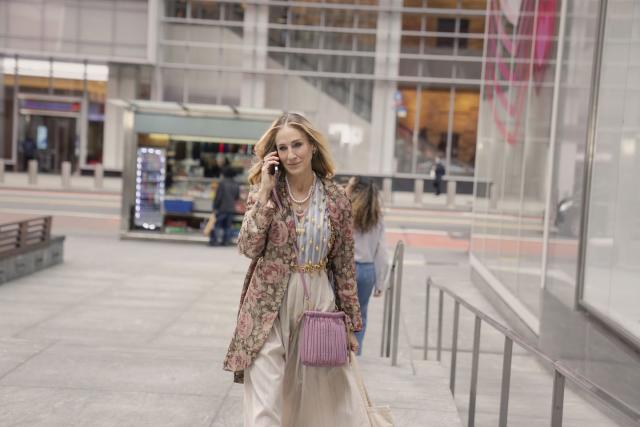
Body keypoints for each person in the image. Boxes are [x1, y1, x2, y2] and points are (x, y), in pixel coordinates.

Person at [223, 112, 370, 427]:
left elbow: (344, 265)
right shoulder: (268, 193)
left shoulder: (335, 199)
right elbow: (248, 247)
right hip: (266, 305)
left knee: (314, 402)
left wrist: (350, 324)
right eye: (283, 148)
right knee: (264, 401)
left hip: (317, 302)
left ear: (313, 146)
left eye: (297, 145)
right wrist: (264, 192)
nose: (291, 155)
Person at [345, 176, 390, 356]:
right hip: (366, 271)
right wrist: (380, 283)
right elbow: (382, 253)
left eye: (349, 184)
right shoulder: (376, 218)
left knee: (338, 314)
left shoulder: (345, 212)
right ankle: (355, 356)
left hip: (344, 269)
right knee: (360, 316)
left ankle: (336, 352)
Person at [210, 166, 240, 246]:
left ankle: (215, 241)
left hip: (222, 208)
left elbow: (218, 197)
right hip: (231, 208)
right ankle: (225, 241)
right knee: (228, 226)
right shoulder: (235, 184)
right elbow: (237, 197)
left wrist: (214, 207)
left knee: (217, 225)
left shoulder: (222, 183)